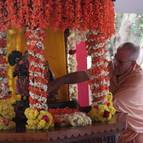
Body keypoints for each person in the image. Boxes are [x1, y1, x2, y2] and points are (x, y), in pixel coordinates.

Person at [110, 42, 143, 143]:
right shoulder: (114, 66)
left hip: (135, 134)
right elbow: (89, 74)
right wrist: (61, 81)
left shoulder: (138, 79)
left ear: (132, 64)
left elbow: (113, 103)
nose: (115, 63)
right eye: (114, 57)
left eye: (120, 62)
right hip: (116, 130)